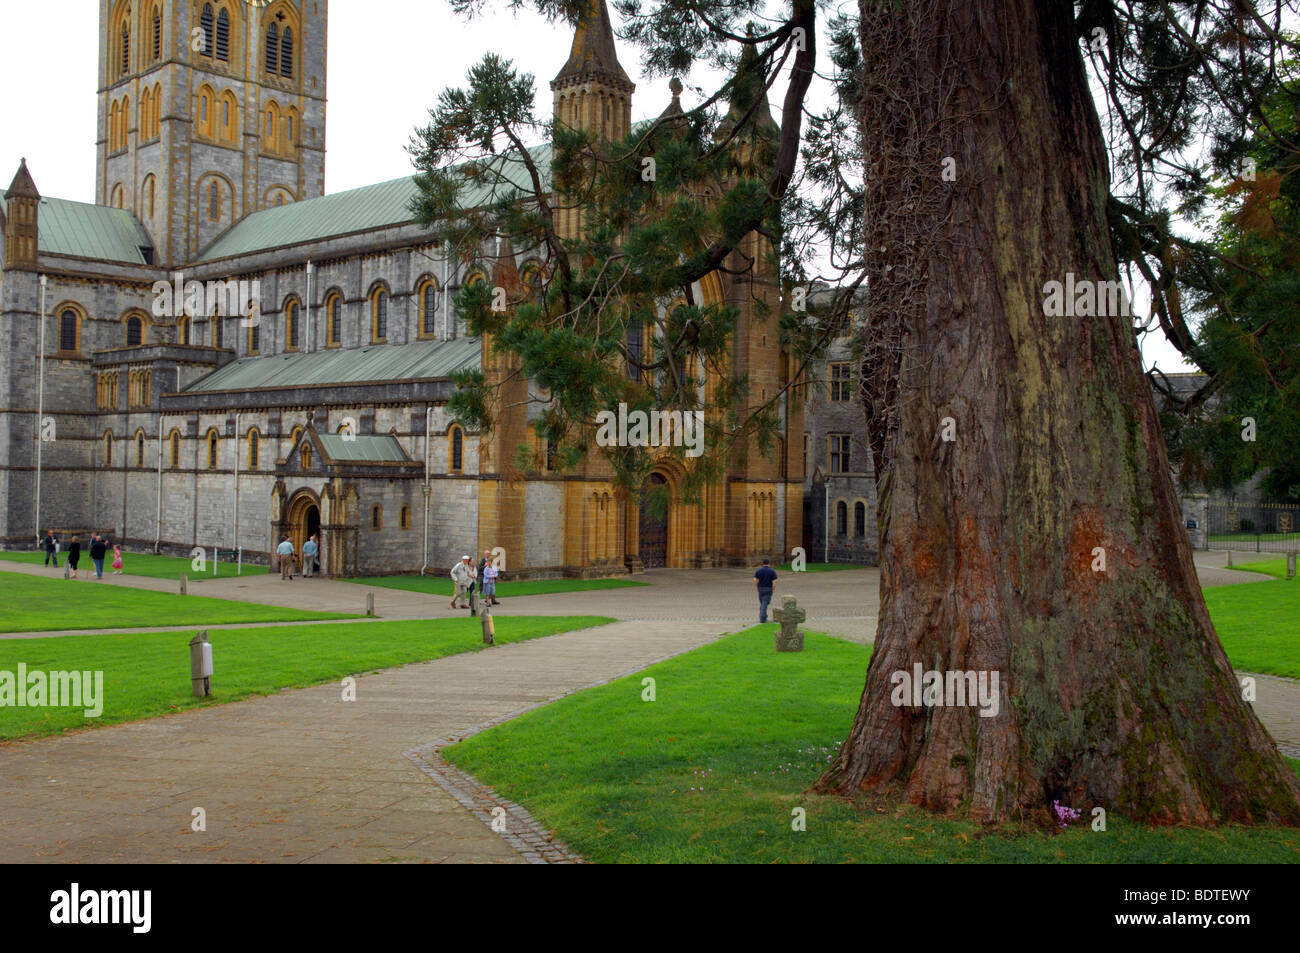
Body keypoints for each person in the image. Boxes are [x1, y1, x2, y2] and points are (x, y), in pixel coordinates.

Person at [754, 557, 778, 623]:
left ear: (763, 564)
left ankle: (764, 616)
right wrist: (773, 589)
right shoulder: (772, 571)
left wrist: (757, 586)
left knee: (763, 604)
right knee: (764, 604)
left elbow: (755, 580)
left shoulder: (758, 570)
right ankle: (762, 619)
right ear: (769, 564)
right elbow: (775, 581)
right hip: (768, 589)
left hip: (760, 589)